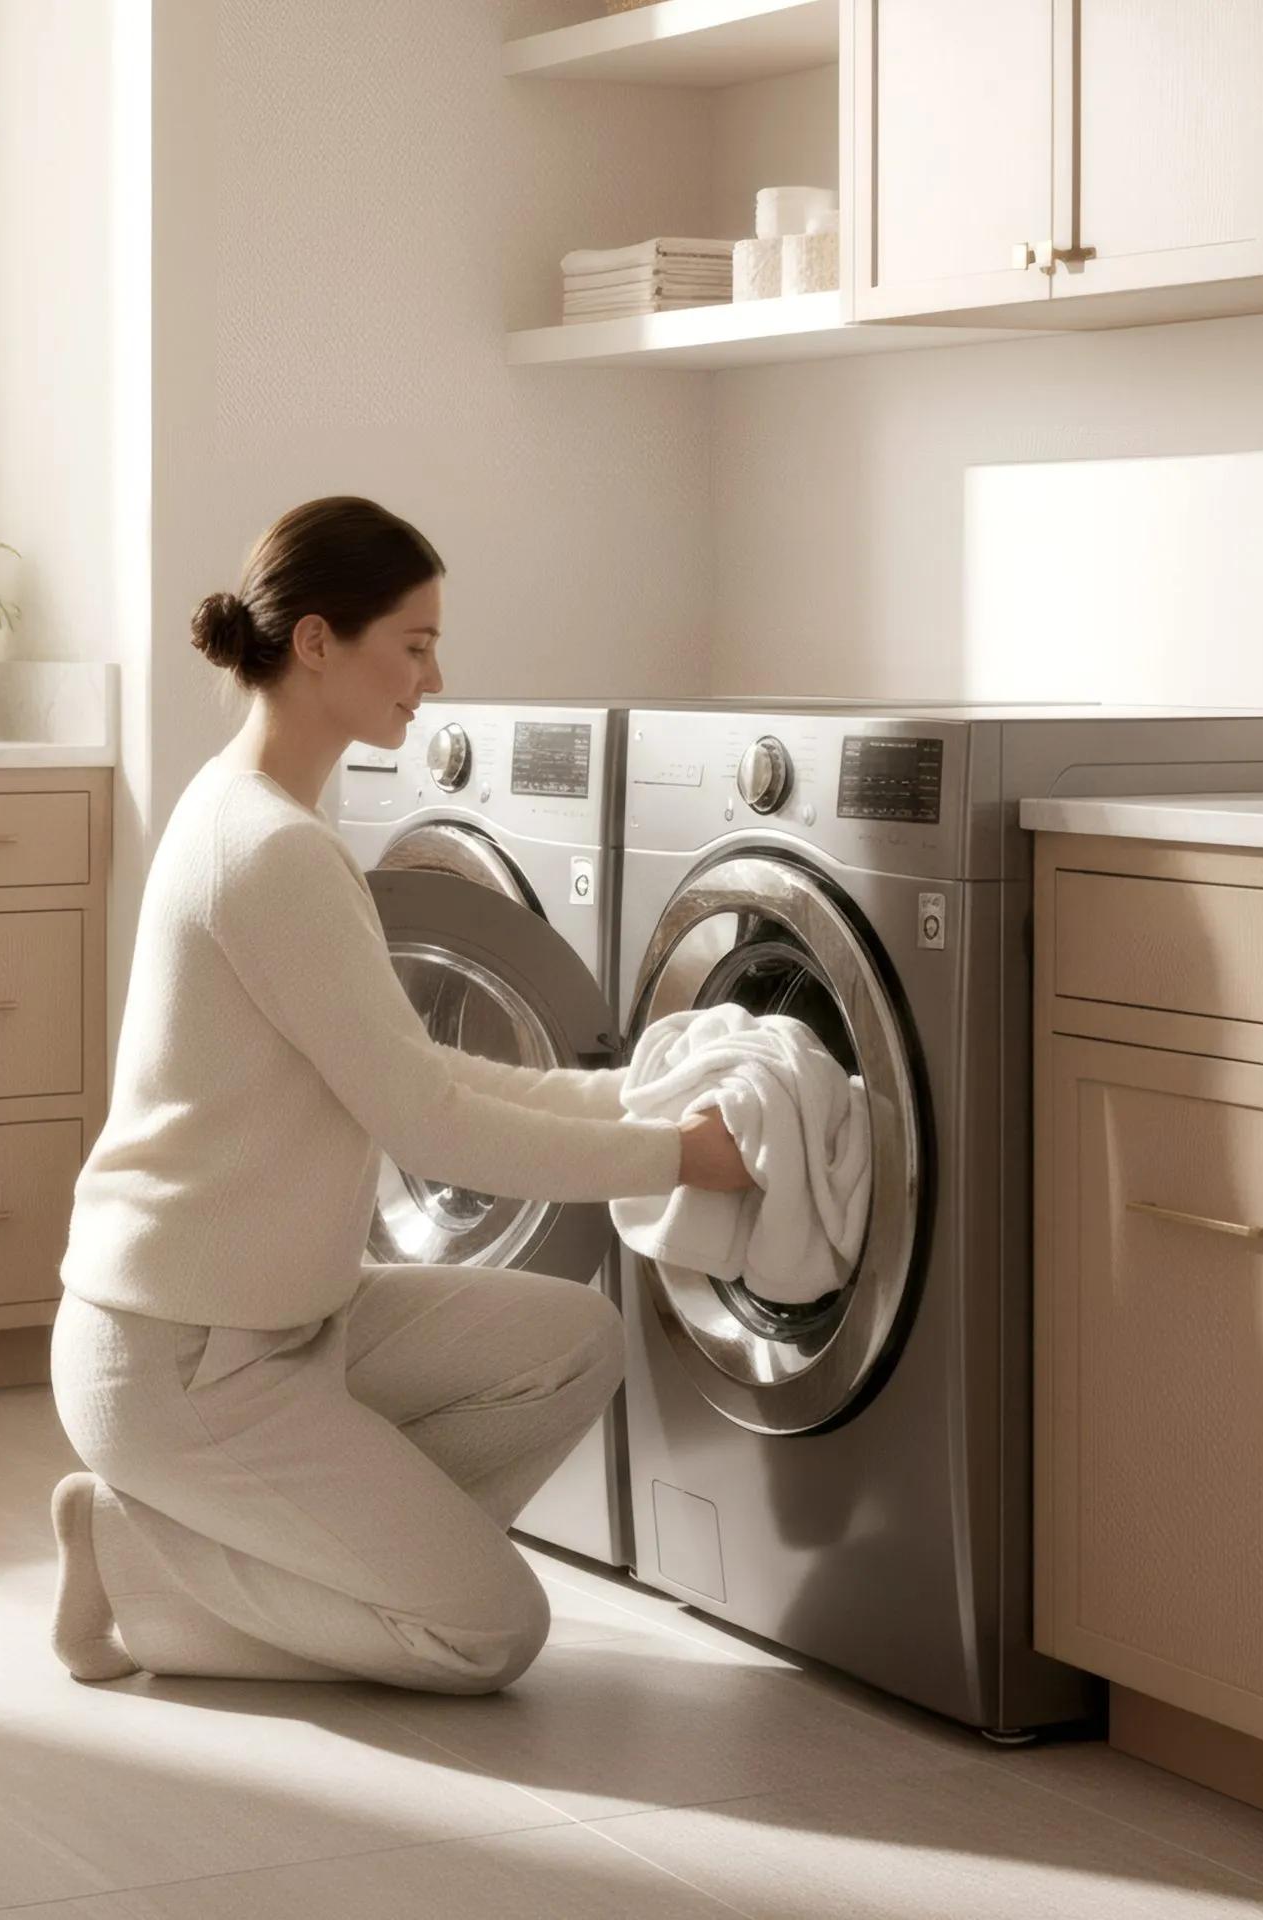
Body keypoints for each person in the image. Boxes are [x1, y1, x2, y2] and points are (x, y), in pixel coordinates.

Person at [47, 496, 752, 1695]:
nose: (434, 675)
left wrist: (628, 1096)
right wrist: (676, 1160)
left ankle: (327, 1559)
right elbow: (430, 1127)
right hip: (179, 1359)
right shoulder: (271, 852)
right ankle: (138, 1554)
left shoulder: (252, 815)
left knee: (574, 1341)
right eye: (413, 643)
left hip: (284, 1321)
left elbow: (416, 1078)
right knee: (489, 1635)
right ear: (318, 641)